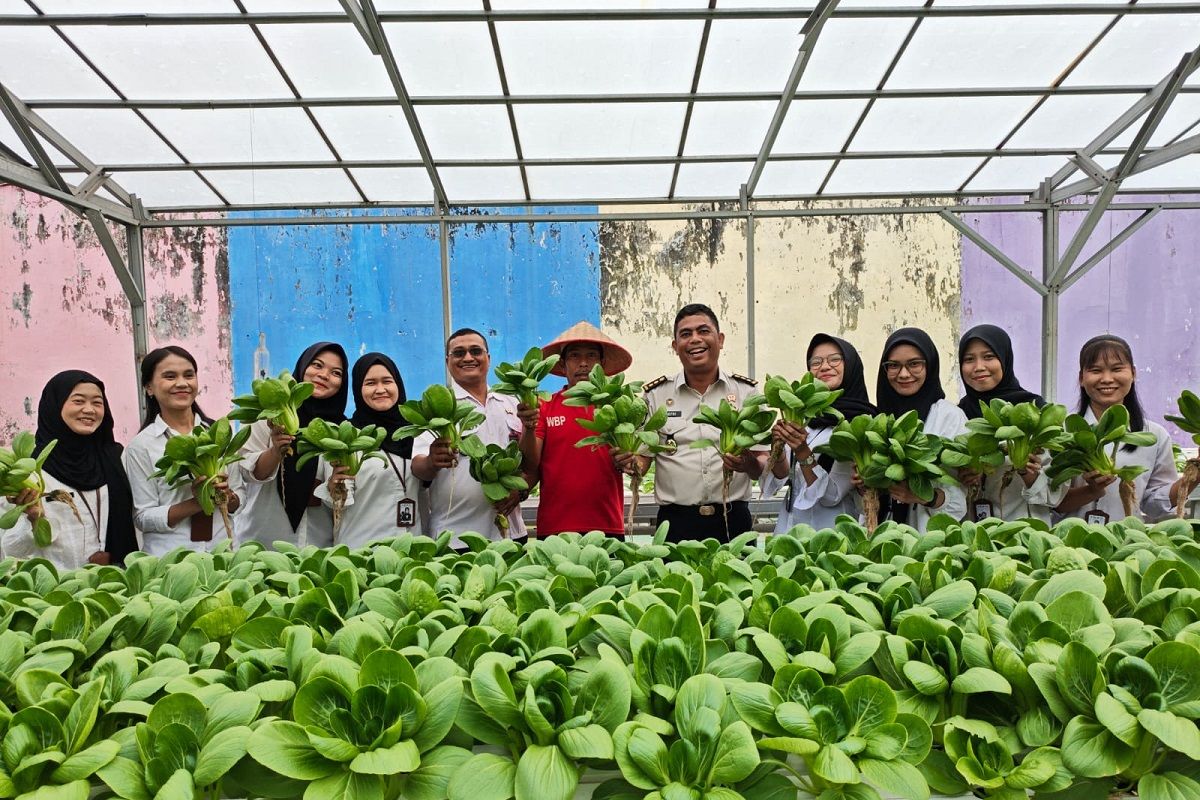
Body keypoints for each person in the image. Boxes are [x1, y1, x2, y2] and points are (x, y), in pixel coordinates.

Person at [642, 304, 765, 541]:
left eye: (703, 331)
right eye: (685, 334)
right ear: (675, 346)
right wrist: (627, 461)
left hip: (733, 519)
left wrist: (746, 462)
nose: (695, 339)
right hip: (675, 523)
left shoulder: (746, 393)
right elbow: (643, 459)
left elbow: (762, 463)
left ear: (720, 339)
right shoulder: (656, 395)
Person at [1, 371, 138, 568]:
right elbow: (11, 549)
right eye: (78, 401)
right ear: (55, 406)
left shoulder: (115, 458)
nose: (89, 409)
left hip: (114, 582)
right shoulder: (29, 469)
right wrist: (33, 519)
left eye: (97, 403)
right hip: (55, 588)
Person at [517, 321, 633, 537]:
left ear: (602, 362)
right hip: (555, 527)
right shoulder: (545, 406)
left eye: (591, 356)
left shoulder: (617, 405)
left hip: (607, 523)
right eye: (574, 356)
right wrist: (529, 427)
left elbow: (633, 459)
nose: (583, 363)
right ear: (562, 365)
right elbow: (530, 464)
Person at [412, 328, 527, 544]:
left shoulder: (512, 402)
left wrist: (520, 491)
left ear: (488, 358)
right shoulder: (437, 405)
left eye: (475, 351)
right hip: (455, 538)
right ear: (448, 361)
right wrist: (432, 460)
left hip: (510, 532)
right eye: (458, 353)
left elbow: (530, 460)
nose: (468, 358)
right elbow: (418, 466)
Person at [124, 346, 242, 554]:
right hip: (171, 560)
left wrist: (227, 496)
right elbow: (143, 517)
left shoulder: (219, 434)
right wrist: (197, 503)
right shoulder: (141, 446)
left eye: (189, 375)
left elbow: (239, 500)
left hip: (224, 552)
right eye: (170, 376)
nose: (181, 383)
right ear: (149, 387)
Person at [1055, 334, 1185, 523]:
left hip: (1127, 543)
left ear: (1133, 373)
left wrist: (1193, 476)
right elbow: (1052, 501)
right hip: (1070, 545)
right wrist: (1091, 490)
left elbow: (1154, 505)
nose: (1107, 379)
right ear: (1082, 378)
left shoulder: (1154, 435)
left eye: (1117, 369)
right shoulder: (1063, 431)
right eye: (1096, 370)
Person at [235, 341, 348, 548]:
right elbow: (246, 471)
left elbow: (344, 493)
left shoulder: (341, 429)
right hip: (263, 539)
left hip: (319, 543)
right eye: (317, 365)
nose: (324, 375)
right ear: (303, 367)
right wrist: (275, 452)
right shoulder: (267, 418)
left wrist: (335, 486)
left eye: (336, 373)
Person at [759, 334, 876, 532]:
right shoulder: (807, 418)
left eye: (835, 359)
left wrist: (803, 451)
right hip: (790, 530)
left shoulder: (861, 422)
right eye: (816, 362)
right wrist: (778, 448)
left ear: (851, 365)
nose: (824, 366)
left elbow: (832, 495)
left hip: (832, 534)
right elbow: (784, 478)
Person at [314, 352, 423, 545]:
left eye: (387, 381)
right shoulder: (343, 437)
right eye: (370, 383)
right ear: (357, 389)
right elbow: (338, 503)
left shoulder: (416, 433)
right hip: (362, 550)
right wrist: (335, 487)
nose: (380, 389)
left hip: (412, 548)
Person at [957, 324, 1063, 522]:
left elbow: (1057, 494)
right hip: (973, 533)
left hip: (1026, 532)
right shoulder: (958, 414)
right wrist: (965, 478)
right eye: (969, 359)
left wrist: (1027, 471)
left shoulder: (1035, 411)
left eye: (988, 357)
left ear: (1005, 358)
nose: (979, 367)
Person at [873, 327, 967, 530]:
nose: (904, 374)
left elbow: (960, 503)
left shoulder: (949, 416)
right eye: (893, 366)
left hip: (930, 540)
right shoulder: (878, 418)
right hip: (880, 536)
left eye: (914, 364)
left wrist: (924, 496)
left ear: (930, 365)